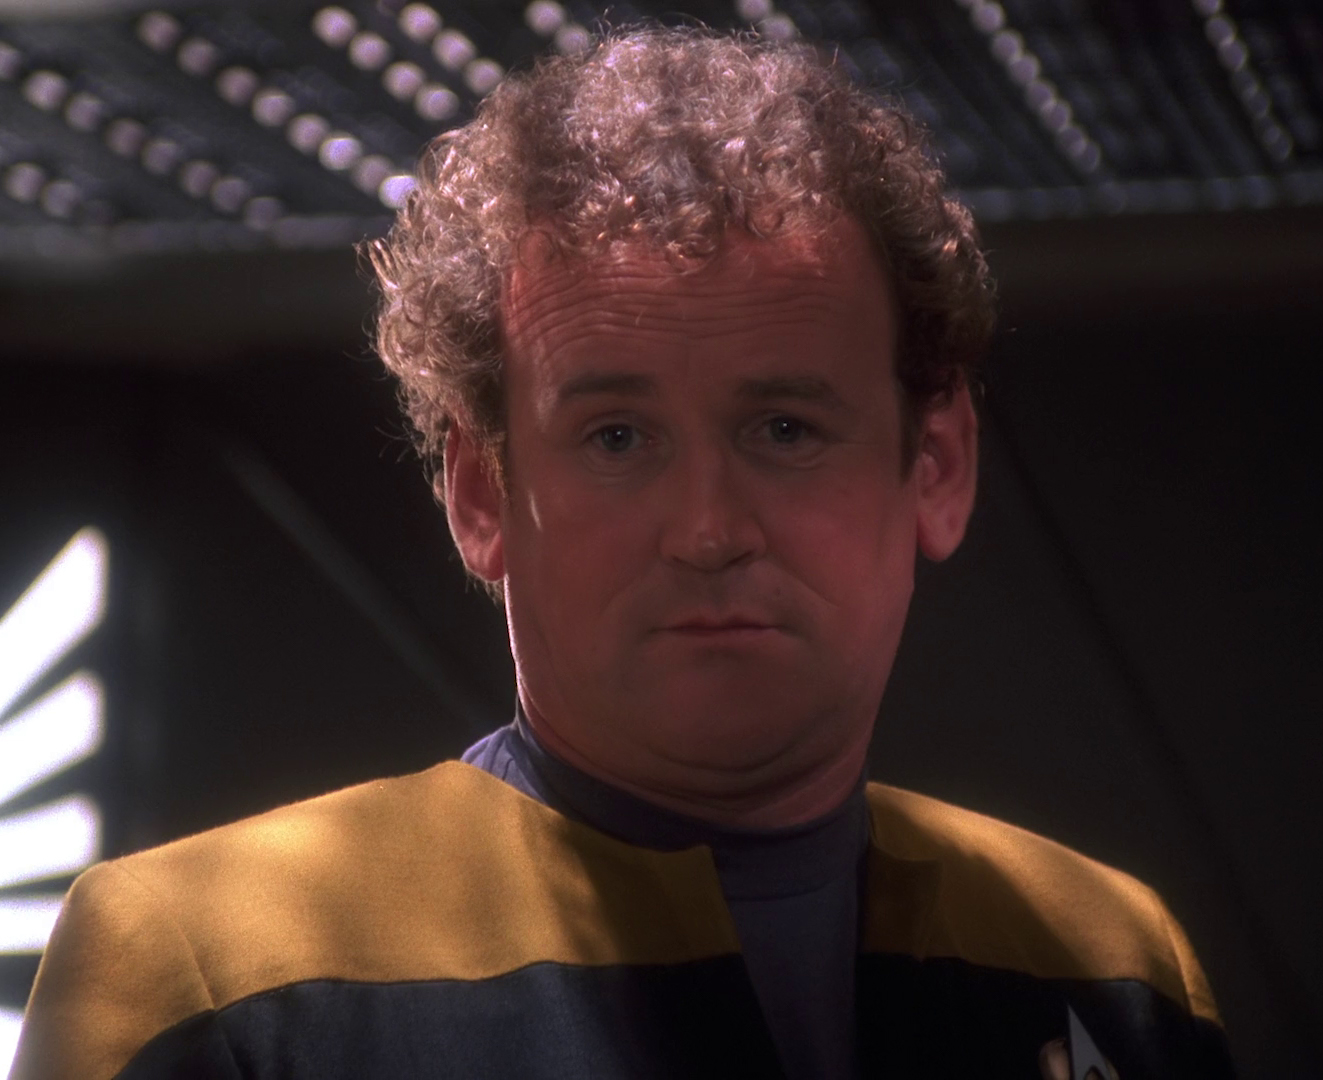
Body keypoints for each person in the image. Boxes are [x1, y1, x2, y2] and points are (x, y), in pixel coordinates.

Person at [12, 25, 1233, 1080]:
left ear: (938, 467)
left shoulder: (1112, 966)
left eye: (785, 428)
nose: (709, 530)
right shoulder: (207, 973)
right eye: (616, 437)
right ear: (481, 493)